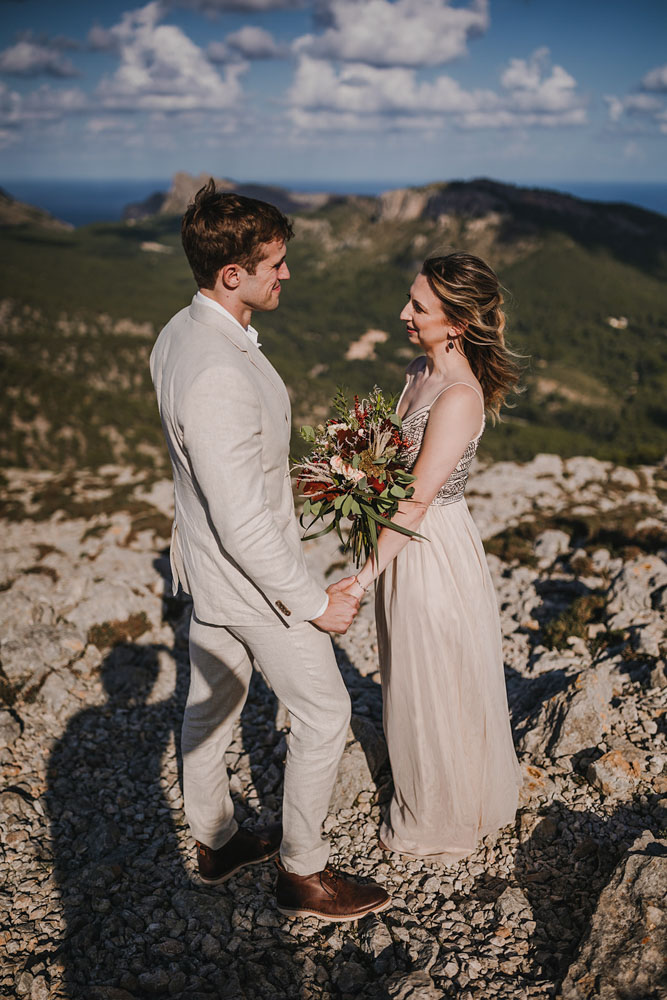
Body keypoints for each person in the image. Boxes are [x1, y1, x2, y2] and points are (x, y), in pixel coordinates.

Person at [150, 179, 389, 920]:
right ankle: (303, 874)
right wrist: (314, 603)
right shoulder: (218, 370)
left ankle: (218, 840)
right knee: (323, 715)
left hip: (207, 569)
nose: (286, 274)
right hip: (253, 585)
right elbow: (244, 518)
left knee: (211, 705)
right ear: (233, 275)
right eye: (274, 264)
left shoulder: (177, 331)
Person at [347, 252, 522, 862]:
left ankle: (441, 820)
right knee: (409, 673)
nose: (404, 313)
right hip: (402, 542)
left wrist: (361, 578)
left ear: (456, 323)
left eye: (418, 307)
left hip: (432, 551)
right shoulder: (418, 369)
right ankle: (429, 790)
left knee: (435, 679)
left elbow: (419, 501)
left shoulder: (459, 396)